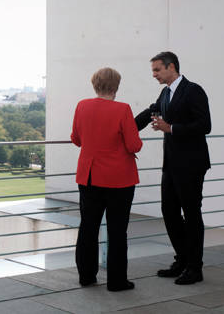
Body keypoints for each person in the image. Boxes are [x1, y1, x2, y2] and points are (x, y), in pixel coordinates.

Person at [135, 51, 211, 285]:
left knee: (191, 214)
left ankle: (195, 268)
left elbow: (205, 125)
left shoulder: (193, 90)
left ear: (171, 67)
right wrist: (123, 128)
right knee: (169, 212)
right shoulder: (165, 92)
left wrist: (172, 128)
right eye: (153, 71)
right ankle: (182, 259)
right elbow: (151, 112)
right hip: (171, 164)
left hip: (191, 164)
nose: (154, 75)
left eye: (157, 70)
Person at [71, 67, 143, 291]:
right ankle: (116, 281)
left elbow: (76, 139)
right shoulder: (123, 109)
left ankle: (86, 276)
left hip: (89, 177)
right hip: (118, 179)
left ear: (95, 84)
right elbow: (134, 145)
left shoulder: (82, 105)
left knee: (88, 228)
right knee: (117, 231)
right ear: (116, 86)